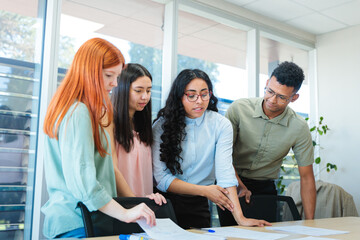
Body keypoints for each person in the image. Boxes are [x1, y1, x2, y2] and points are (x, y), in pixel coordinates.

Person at [41, 38, 156, 239]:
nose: (114, 83)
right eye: (108, 75)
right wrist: (125, 213)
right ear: (88, 72)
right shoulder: (78, 111)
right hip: (78, 222)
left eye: (117, 76)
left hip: (81, 220)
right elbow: (84, 182)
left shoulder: (77, 109)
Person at [152, 69, 271, 229]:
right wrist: (204, 190)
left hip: (198, 205)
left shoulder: (221, 125)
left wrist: (241, 218)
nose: (199, 101)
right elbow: (161, 178)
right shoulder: (161, 126)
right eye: (191, 95)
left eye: (204, 94)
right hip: (164, 203)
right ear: (179, 97)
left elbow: (225, 174)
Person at [226, 61, 316, 219]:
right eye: (270, 91)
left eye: (282, 97)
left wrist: (310, 222)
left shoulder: (299, 127)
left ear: (294, 98)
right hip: (230, 180)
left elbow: (307, 177)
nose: (272, 100)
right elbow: (223, 155)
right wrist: (238, 185)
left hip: (264, 188)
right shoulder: (239, 109)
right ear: (267, 83)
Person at [111, 63, 165, 204]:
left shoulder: (144, 127)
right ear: (122, 89)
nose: (145, 97)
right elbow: (112, 171)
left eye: (148, 91)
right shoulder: (109, 124)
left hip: (142, 208)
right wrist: (135, 203)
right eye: (138, 90)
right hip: (122, 208)